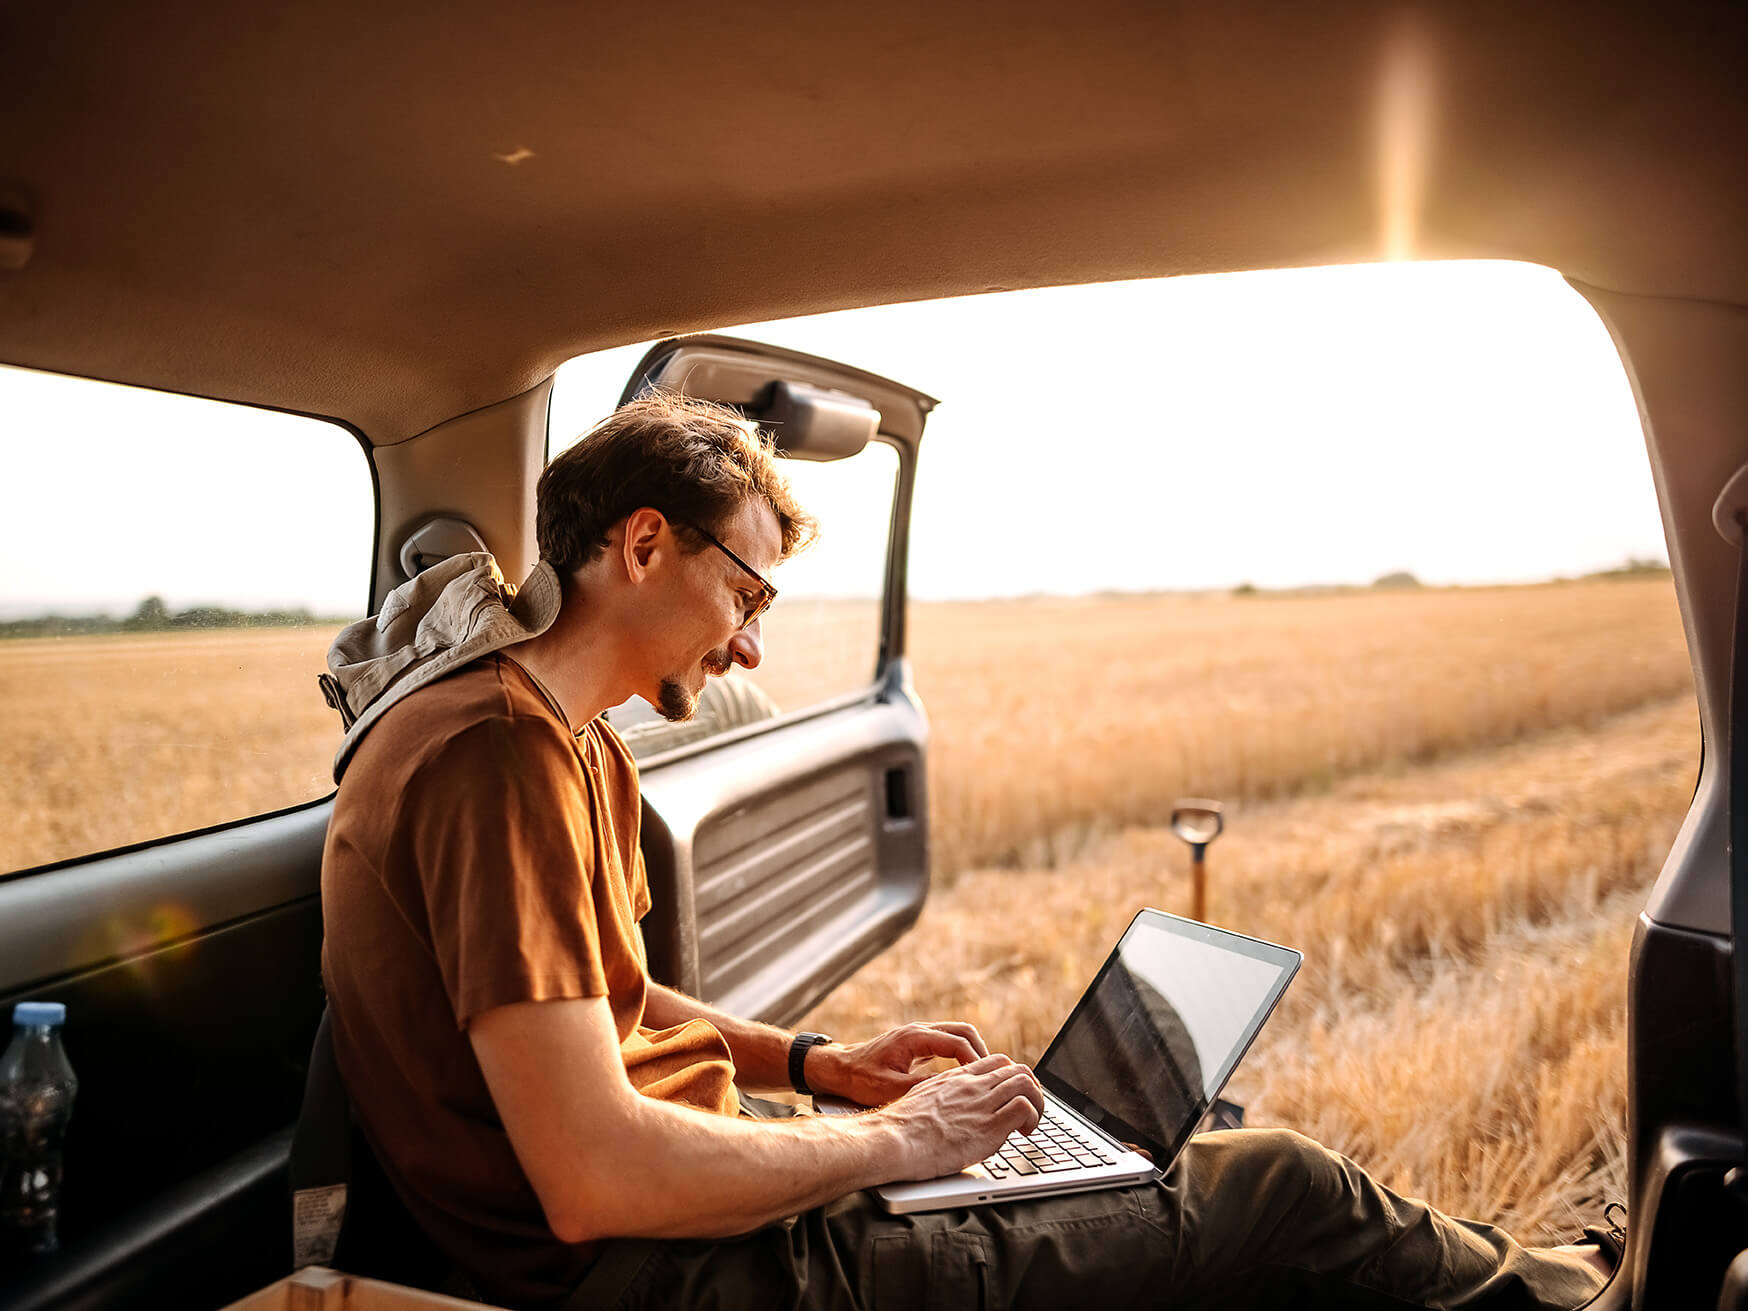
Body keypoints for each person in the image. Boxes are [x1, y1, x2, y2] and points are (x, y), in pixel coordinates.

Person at [318, 392, 1618, 1310]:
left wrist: (825, 1068)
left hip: (677, 1218)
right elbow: (597, 1180)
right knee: (1273, 1187)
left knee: (1167, 1176)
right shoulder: (500, 755)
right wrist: (900, 1145)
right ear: (644, 542)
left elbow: (610, 999)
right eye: (747, 595)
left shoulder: (563, 738)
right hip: (660, 1275)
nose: (752, 647)